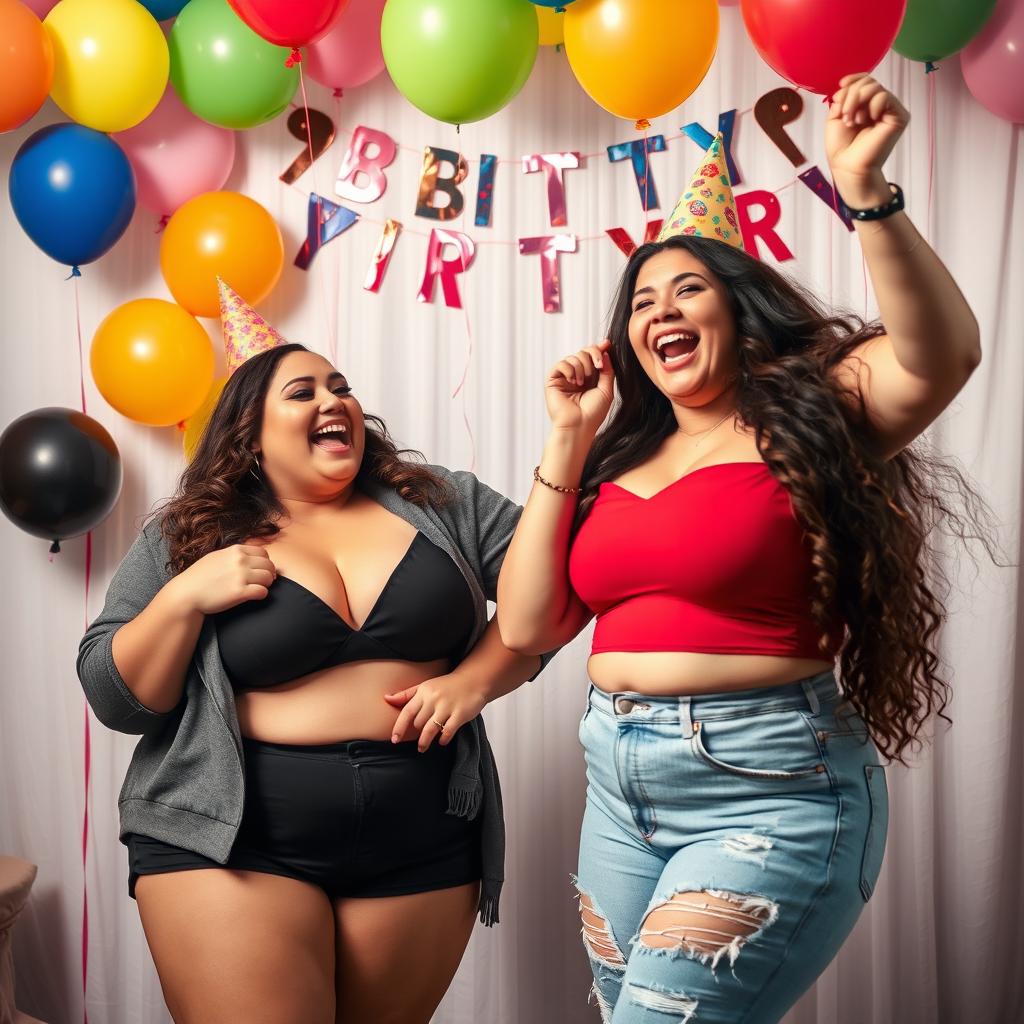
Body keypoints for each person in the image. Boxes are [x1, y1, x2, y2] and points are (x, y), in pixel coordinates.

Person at [496, 74, 986, 1023]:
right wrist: (565, 435)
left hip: (769, 786)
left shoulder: (808, 417)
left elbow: (941, 356)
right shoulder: (616, 461)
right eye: (642, 300)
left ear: (740, 311)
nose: (660, 309)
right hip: (619, 794)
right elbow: (524, 623)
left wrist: (865, 192)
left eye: (690, 287)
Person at [77, 282, 547, 1024]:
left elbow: (553, 593)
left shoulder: (443, 503)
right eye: (303, 392)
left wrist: (476, 682)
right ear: (250, 436)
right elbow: (117, 696)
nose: (335, 401)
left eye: (343, 388)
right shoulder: (188, 534)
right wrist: (182, 599)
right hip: (233, 842)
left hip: (424, 839)